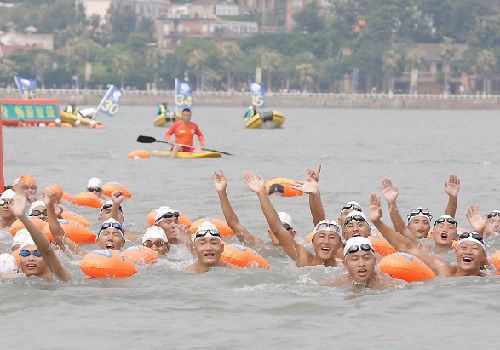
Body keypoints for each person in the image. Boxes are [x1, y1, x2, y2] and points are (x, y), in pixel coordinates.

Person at [369, 193, 487, 277]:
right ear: (456, 252)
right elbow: (407, 247)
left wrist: (479, 231)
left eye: (474, 249)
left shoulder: (489, 278)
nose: (468, 252)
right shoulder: (443, 269)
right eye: (464, 248)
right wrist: (377, 222)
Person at [244, 171, 342, 267]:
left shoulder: (346, 267)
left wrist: (315, 195)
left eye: (332, 237)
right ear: (312, 241)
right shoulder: (304, 259)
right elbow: (277, 228)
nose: (326, 241)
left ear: (340, 244)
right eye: (322, 237)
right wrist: (261, 193)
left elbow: (320, 225)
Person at [211, 170, 295, 246]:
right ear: (269, 233)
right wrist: (222, 192)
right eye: (275, 227)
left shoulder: (300, 251)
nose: (279, 231)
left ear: (293, 234)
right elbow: (234, 223)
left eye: (285, 227)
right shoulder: (261, 247)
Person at [8, 183, 72, 281]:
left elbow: (47, 250)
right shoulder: (16, 278)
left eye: (38, 253)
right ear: (19, 256)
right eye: (25, 253)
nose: (31, 258)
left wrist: (23, 218)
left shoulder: (60, 276)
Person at [321, 237, 405, 290]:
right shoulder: (336, 283)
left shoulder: (391, 285)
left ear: (375, 261)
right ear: (345, 264)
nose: (361, 264)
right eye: (355, 259)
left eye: (366, 258)